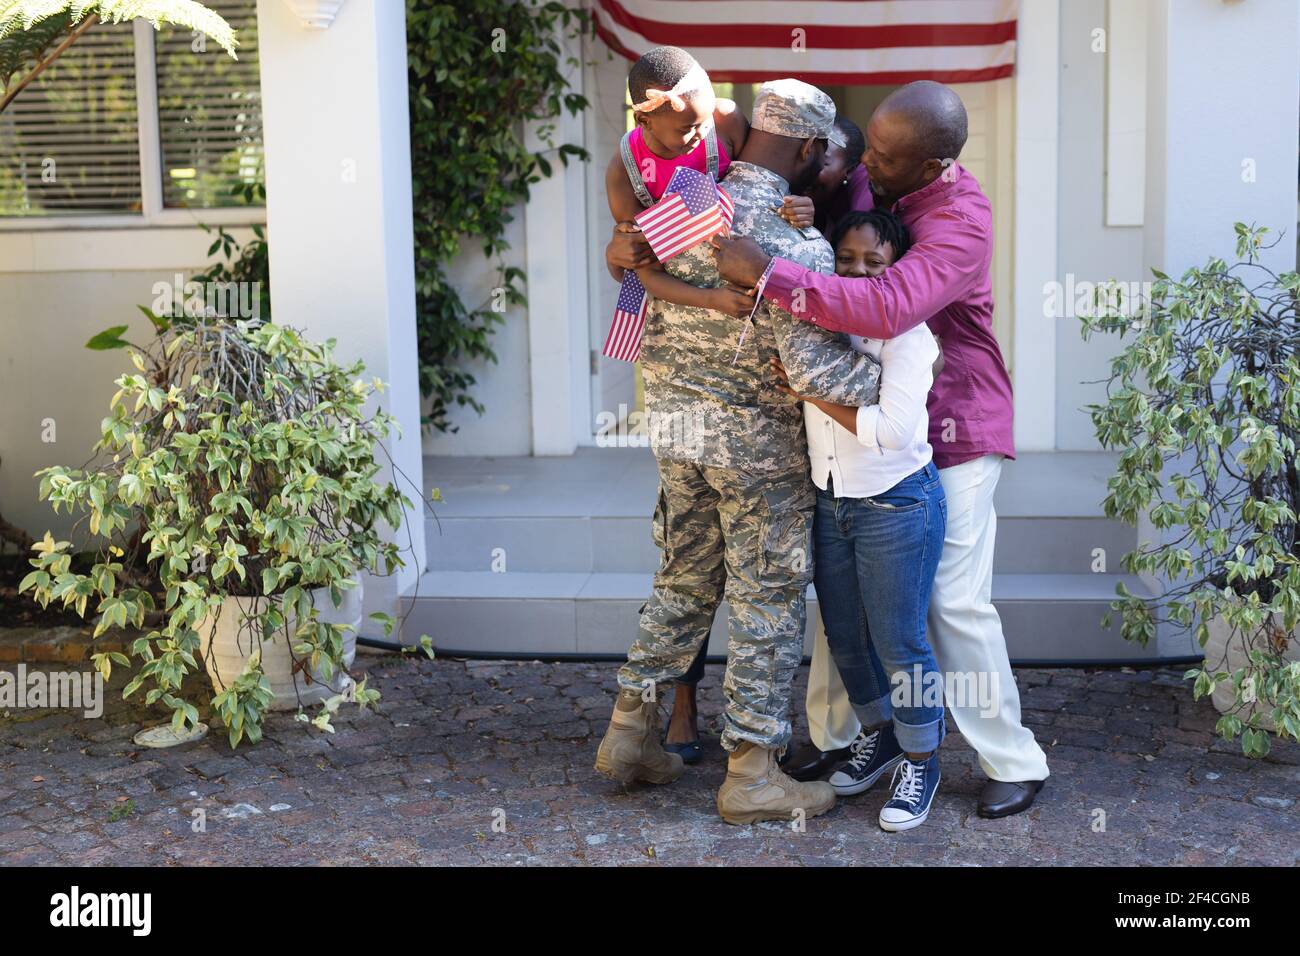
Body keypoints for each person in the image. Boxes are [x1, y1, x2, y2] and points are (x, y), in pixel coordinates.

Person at [712, 80, 1050, 819]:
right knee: (848, 604)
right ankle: (852, 736)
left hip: (953, 425)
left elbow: (891, 303)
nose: (866, 163)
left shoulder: (961, 219)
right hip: (859, 443)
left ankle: (1011, 756)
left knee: (953, 604)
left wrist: (769, 275)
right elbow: (831, 200)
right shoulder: (882, 176)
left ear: (929, 167)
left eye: (885, 157)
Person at [594, 79, 884, 827]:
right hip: (756, 451)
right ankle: (752, 773)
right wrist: (903, 369)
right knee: (767, 599)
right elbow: (820, 373)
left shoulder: (685, 206)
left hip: (675, 434)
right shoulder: (792, 242)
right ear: (812, 149)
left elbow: (630, 273)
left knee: (683, 579)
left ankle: (630, 732)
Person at [772, 208, 946, 831]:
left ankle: (923, 759)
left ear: (898, 269)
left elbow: (894, 434)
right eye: (846, 259)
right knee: (844, 638)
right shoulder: (819, 324)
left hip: (896, 502)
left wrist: (811, 392)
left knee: (902, 643)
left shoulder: (908, 336)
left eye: (875, 262)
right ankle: (885, 735)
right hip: (830, 500)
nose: (858, 271)